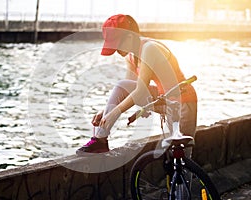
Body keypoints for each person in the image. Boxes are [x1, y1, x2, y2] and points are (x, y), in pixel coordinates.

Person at [76, 14, 197, 155]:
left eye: (117, 45)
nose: (117, 52)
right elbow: (127, 89)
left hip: (182, 101)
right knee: (121, 85)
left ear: (129, 37)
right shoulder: (130, 55)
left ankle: (189, 176)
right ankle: (100, 140)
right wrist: (106, 111)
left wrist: (114, 112)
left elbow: (140, 91)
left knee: (182, 157)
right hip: (163, 98)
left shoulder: (149, 49)